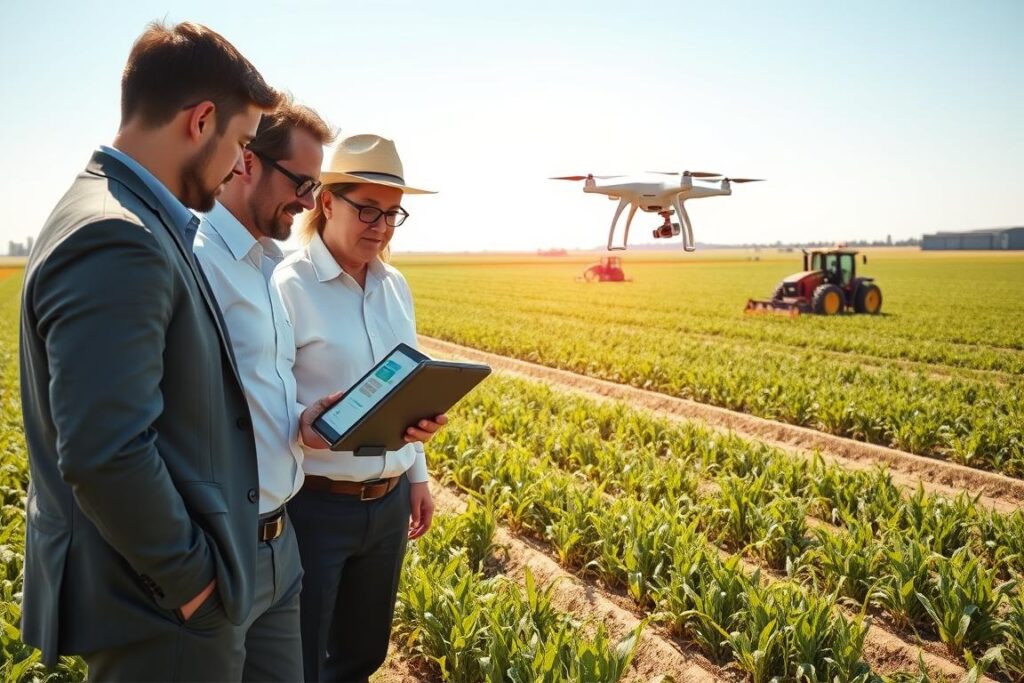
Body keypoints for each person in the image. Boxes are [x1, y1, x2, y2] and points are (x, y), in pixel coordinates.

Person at [18, 21, 281, 681]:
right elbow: (106, 449)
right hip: (160, 610)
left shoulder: (117, 210)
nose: (241, 167)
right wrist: (194, 582)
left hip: (156, 600)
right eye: (243, 143)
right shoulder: (120, 234)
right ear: (200, 121)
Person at [272, 133, 446, 682]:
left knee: (363, 655)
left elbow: (406, 386)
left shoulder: (396, 286)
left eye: (393, 214)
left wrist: (416, 474)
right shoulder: (287, 284)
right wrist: (307, 420)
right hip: (316, 506)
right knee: (303, 658)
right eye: (367, 209)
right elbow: (265, 397)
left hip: (389, 505)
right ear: (326, 202)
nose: (380, 225)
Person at [192, 99, 338, 680]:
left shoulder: (272, 265)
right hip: (220, 550)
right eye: (302, 183)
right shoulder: (195, 259)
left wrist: (303, 421)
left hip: (283, 541)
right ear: (246, 162)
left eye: (316, 185)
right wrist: (187, 570)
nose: (309, 201)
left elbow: (255, 392)